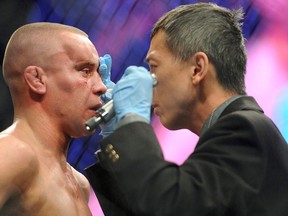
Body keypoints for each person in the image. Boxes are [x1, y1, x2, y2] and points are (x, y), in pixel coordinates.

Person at [86, 2, 288, 216]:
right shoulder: (232, 131)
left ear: (197, 69)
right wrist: (118, 136)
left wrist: (131, 122)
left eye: (154, 67)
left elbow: (168, 205)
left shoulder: (244, 129)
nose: (150, 82)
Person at [0, 22, 109, 215]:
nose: (102, 87)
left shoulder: (80, 183)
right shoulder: (11, 152)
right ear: (37, 79)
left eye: (98, 73)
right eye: (85, 70)